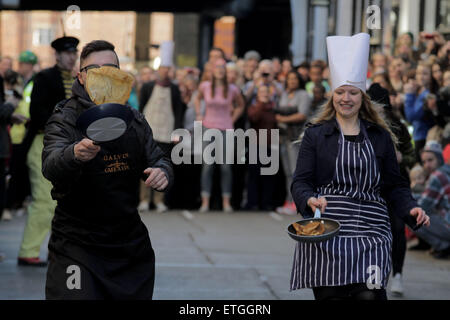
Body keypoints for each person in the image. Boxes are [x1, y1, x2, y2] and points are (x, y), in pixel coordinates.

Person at [290, 33, 430, 301]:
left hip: (372, 232)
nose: (346, 98)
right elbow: (300, 181)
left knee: (370, 296)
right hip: (327, 232)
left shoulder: (379, 136)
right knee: (331, 296)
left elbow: (395, 184)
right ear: (333, 96)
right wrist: (309, 199)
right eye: (340, 92)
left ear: (362, 97)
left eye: (353, 92)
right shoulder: (316, 135)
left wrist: (410, 208)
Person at [42, 40, 173, 299]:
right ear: (81, 75)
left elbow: (158, 159)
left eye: (111, 68)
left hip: (127, 245)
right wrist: (75, 154)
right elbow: (51, 165)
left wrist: (162, 172)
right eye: (96, 69)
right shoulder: (65, 117)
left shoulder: (134, 118)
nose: (105, 75)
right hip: (77, 244)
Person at [17, 36, 79, 266]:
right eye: (68, 53)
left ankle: (57, 251)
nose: (72, 56)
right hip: (43, 143)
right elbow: (37, 112)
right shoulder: (43, 78)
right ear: (58, 55)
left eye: (75, 52)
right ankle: (29, 250)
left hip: (67, 147)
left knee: (64, 203)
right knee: (44, 200)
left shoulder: (77, 80)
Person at [367, 83, 416, 296]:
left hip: (396, 185)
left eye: (382, 107)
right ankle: (374, 276)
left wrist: (400, 158)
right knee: (373, 232)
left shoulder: (398, 126)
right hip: (371, 187)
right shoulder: (362, 126)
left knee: (397, 230)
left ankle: (397, 274)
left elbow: (413, 154)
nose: (379, 111)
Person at [139, 41, 186, 212]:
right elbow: (141, 108)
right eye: (163, 68)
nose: (165, 71)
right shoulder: (147, 87)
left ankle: (159, 200)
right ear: (158, 70)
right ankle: (144, 199)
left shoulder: (174, 89)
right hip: (149, 131)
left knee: (163, 166)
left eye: (168, 68)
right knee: (144, 166)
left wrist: (178, 132)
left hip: (167, 132)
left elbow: (179, 112)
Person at [195, 58, 245, 212]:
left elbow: (241, 105)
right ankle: (205, 201)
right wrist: (199, 114)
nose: (220, 70)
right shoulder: (205, 86)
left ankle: (226, 202)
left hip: (226, 128)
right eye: (217, 67)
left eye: (222, 67)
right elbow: (197, 99)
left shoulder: (232, 89)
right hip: (208, 128)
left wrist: (233, 118)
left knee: (225, 167)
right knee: (208, 166)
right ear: (213, 70)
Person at [275, 70, 311, 215]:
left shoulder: (304, 95)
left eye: (294, 79)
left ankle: (297, 202)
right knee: (287, 172)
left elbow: (302, 115)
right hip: (283, 137)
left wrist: (282, 119)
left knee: (296, 172)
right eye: (289, 79)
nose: (292, 81)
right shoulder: (283, 94)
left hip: (296, 138)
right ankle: (289, 201)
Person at [415, 143, 450, 259]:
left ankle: (443, 246)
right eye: (424, 162)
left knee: (411, 214)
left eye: (430, 160)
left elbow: (423, 205)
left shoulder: (437, 175)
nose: (427, 165)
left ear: (439, 158)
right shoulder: (446, 171)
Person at [246, 85, 277, 210]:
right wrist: (261, 104)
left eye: (267, 92)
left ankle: (266, 203)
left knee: (269, 176)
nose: (265, 94)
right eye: (262, 92)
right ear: (257, 94)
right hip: (256, 145)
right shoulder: (254, 107)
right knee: (254, 175)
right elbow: (254, 118)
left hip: (270, 145)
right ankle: (252, 202)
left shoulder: (273, 108)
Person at [404, 61, 438, 161]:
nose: (420, 76)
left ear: (431, 76)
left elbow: (411, 116)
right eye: (418, 73)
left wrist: (409, 95)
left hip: (425, 138)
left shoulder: (428, 94)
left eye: (425, 74)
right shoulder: (421, 91)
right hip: (418, 136)